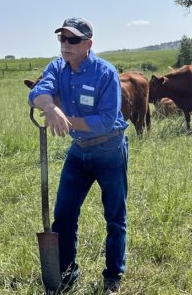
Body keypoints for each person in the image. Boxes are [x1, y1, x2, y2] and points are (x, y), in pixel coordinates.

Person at [28, 17, 128, 294]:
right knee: (64, 215)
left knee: (115, 216)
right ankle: (66, 274)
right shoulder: (57, 67)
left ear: (88, 44)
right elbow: (37, 92)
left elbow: (107, 120)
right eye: (62, 39)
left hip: (109, 149)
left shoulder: (105, 73)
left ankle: (113, 277)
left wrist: (67, 118)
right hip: (79, 151)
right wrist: (50, 108)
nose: (66, 45)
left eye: (73, 40)